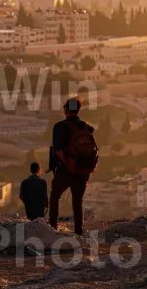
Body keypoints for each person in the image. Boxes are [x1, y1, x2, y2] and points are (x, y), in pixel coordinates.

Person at [49, 97, 98, 235]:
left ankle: (53, 229)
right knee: (77, 201)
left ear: (65, 110)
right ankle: (79, 231)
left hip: (65, 169)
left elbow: (58, 150)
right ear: (78, 110)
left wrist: (68, 163)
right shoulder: (87, 127)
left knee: (55, 197)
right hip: (83, 170)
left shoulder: (59, 127)